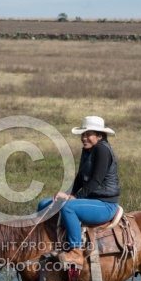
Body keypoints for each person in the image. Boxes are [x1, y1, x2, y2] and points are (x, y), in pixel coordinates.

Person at [38, 115, 120, 269]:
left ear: (99, 135)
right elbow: (81, 178)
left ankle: (76, 252)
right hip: (89, 200)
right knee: (44, 204)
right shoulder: (88, 150)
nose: (84, 138)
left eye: (88, 134)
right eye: (83, 134)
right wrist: (68, 193)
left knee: (68, 207)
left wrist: (74, 198)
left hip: (104, 204)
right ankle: (49, 243)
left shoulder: (102, 149)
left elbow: (96, 180)